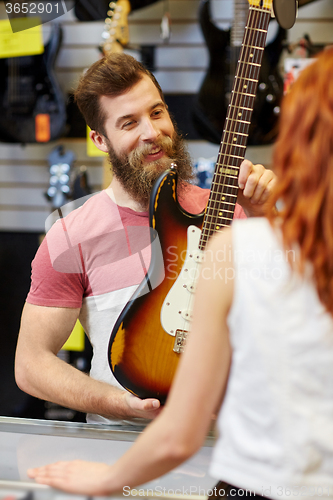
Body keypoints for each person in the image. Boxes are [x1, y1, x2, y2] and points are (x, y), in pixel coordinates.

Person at [15, 53, 276, 425]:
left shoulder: (232, 212)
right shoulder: (71, 235)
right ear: (100, 140)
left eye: (156, 113)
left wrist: (269, 215)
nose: (152, 133)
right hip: (117, 449)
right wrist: (115, 403)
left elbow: (295, 312)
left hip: (227, 448)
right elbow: (31, 364)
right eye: (129, 123)